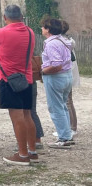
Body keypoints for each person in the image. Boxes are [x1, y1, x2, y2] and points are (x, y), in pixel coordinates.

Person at [0, 4, 38, 166]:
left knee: (16, 117)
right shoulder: (30, 32)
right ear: (21, 16)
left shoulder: (3, 32)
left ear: (5, 17)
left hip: (9, 80)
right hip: (27, 78)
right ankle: (32, 151)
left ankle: (22, 154)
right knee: (27, 115)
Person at [40, 17, 75, 148]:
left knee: (55, 107)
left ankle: (63, 137)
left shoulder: (51, 43)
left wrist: (43, 71)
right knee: (63, 105)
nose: (42, 29)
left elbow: (57, 64)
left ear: (48, 29)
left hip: (55, 77)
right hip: (67, 75)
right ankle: (67, 134)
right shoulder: (64, 40)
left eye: (43, 27)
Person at [63, 20, 79, 136]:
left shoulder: (65, 42)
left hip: (67, 73)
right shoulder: (69, 41)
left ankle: (72, 128)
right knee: (69, 101)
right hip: (70, 73)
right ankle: (72, 126)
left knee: (68, 101)